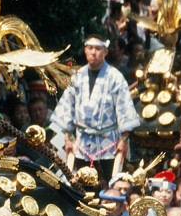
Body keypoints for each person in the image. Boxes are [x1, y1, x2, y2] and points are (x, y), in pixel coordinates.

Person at [49, 33, 140, 179]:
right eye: (90, 48)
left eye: (98, 48)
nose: (93, 52)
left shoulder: (115, 77)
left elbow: (124, 109)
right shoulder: (77, 76)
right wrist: (67, 138)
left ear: (105, 51)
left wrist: (124, 140)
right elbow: (68, 107)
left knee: (108, 180)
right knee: (81, 182)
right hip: (82, 141)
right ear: (85, 50)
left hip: (109, 141)